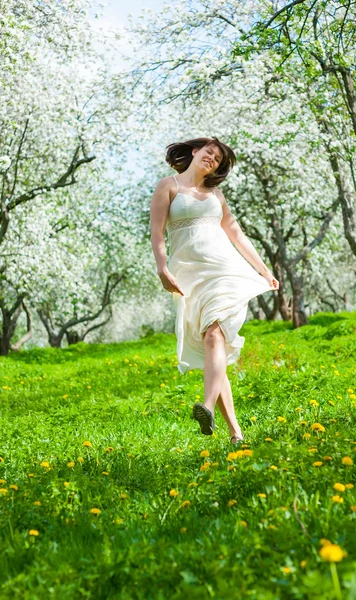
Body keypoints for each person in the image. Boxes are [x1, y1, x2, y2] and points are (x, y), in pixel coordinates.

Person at [150, 136, 279, 444]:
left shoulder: (215, 194)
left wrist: (264, 270)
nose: (212, 159)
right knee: (212, 347)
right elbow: (156, 233)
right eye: (209, 152)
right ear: (195, 151)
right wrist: (162, 269)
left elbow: (237, 234)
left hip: (224, 271)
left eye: (218, 159)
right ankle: (236, 433)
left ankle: (206, 406)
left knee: (214, 335)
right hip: (190, 277)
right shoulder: (168, 186)